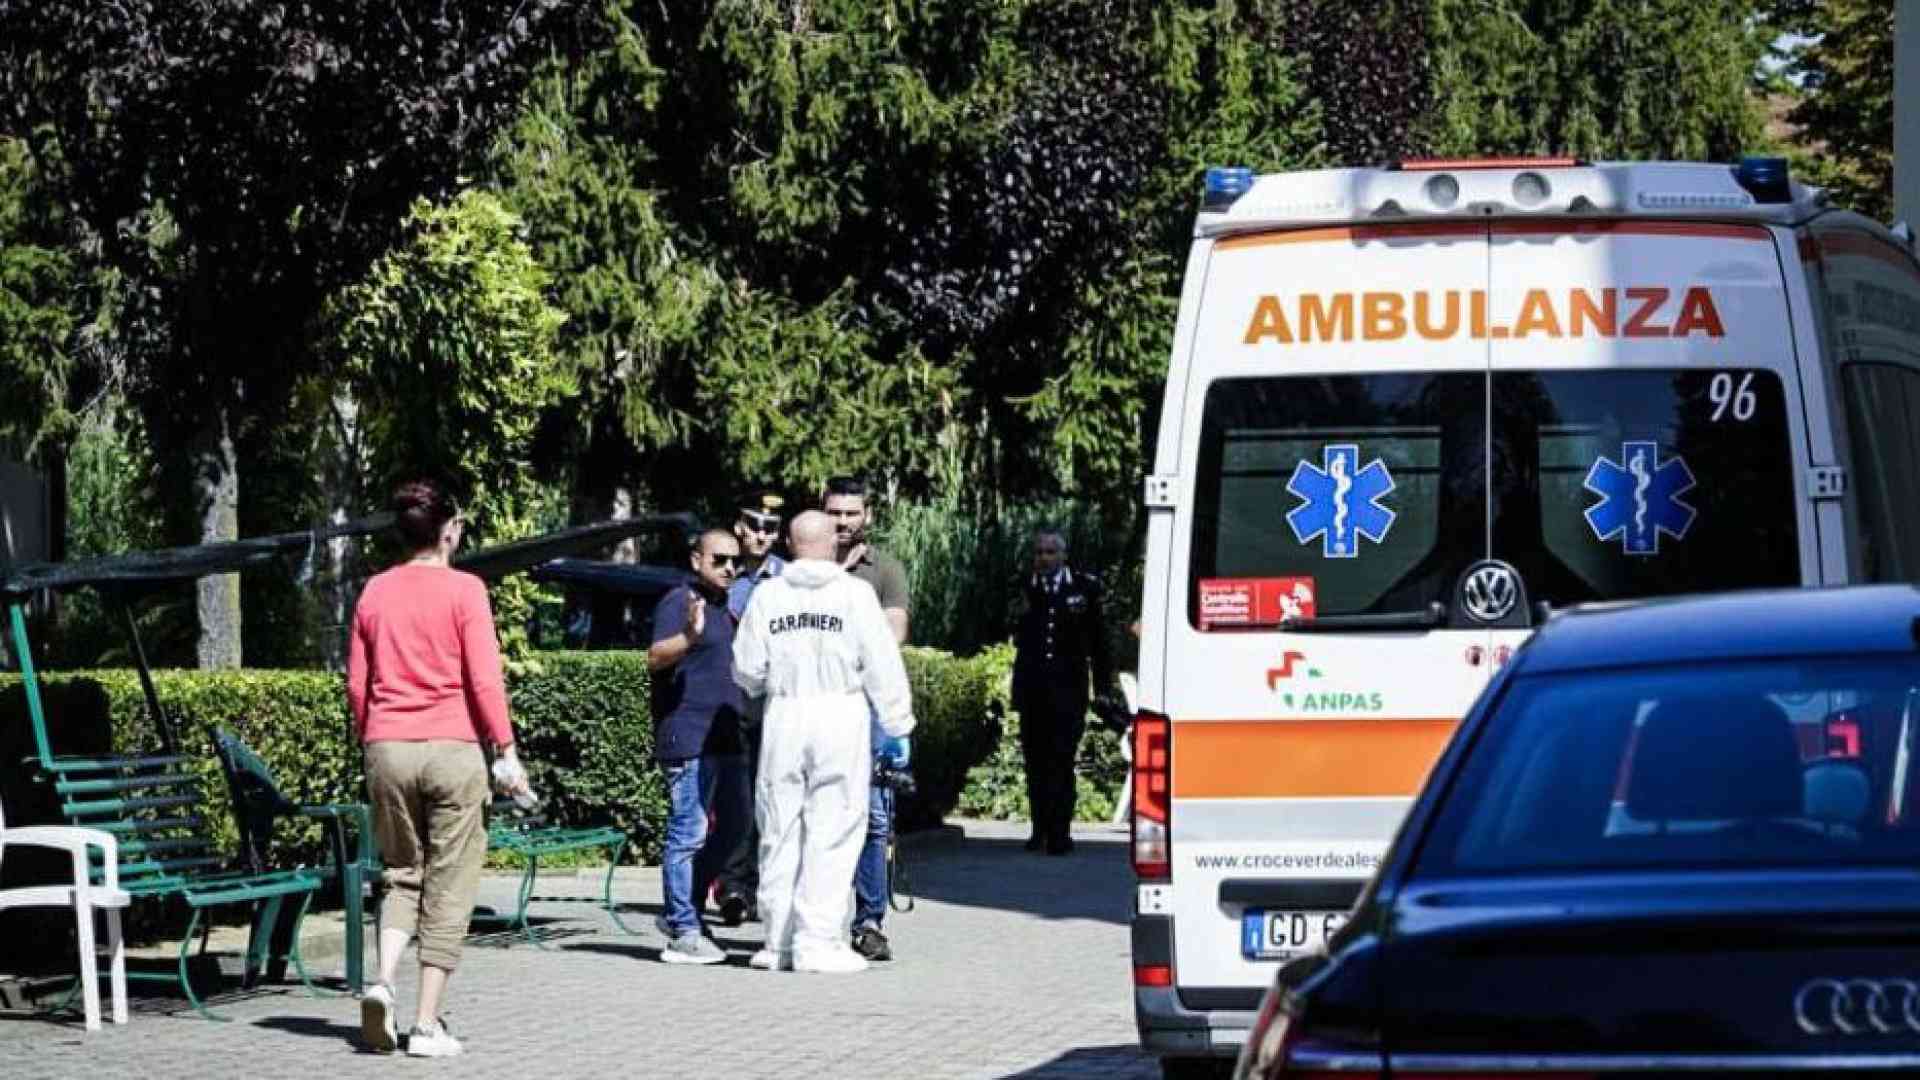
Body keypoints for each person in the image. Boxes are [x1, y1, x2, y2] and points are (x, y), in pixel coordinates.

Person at [347, 479, 530, 1058]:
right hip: (453, 748)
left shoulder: (374, 591)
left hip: (388, 746)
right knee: (449, 884)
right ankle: (426, 1026)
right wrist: (506, 750)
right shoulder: (466, 590)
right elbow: (484, 679)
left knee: (402, 873)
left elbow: (357, 684)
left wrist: (376, 738)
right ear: (449, 530)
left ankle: (382, 983)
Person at [731, 510, 915, 974]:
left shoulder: (768, 595)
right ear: (832, 543)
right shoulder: (855, 595)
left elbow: (747, 671)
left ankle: (778, 940)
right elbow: (883, 664)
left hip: (785, 714)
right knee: (834, 826)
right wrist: (898, 724)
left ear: (790, 545)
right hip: (840, 714)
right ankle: (818, 940)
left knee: (779, 827)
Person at [646, 527, 752, 964]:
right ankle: (683, 928)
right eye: (718, 560)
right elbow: (655, 657)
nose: (729, 568)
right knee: (687, 832)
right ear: (696, 561)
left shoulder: (725, 608)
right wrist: (688, 637)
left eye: (735, 561)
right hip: (689, 736)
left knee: (737, 826)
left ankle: (685, 910)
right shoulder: (680, 601)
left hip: (726, 738)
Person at [822, 475, 911, 962]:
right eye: (833, 512)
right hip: (814, 707)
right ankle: (815, 922)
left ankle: (869, 922)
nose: (842, 522)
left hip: (868, 709)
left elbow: (892, 635)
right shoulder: (801, 568)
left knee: (874, 817)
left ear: (867, 516)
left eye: (851, 513)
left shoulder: (885, 569)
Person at [1011, 530, 1115, 855]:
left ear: (1063, 556)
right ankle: (1039, 828)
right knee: (1035, 762)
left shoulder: (1084, 589)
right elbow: (1016, 635)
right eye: (1039, 552)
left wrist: (1103, 688)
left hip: (1069, 692)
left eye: (1050, 552)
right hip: (1033, 692)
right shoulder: (1025, 588)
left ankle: (1060, 832)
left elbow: (1099, 643)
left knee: (1061, 760)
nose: (1044, 559)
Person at [714, 488, 788, 925]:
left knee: (768, 797)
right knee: (732, 797)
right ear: (739, 527)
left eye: (770, 528)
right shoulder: (723, 573)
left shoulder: (789, 580)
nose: (761, 535)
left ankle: (756, 884)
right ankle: (732, 887)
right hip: (729, 701)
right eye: (754, 525)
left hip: (772, 704)